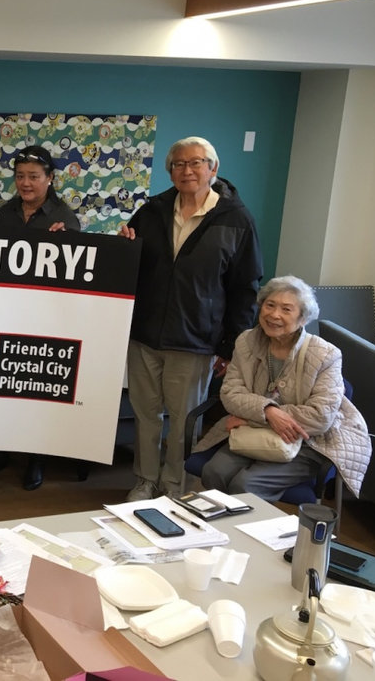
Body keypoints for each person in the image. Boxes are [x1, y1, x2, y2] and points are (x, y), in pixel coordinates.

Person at [118, 136, 263, 501]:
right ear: (170, 171)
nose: (188, 170)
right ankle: (144, 480)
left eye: (196, 163)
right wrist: (123, 245)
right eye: (179, 164)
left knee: (184, 420)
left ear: (213, 168)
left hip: (196, 338)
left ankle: (173, 485)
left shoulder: (237, 219)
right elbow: (129, 266)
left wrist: (232, 345)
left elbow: (245, 287)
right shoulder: (150, 212)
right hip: (145, 333)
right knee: (146, 414)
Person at [195, 276, 370, 500]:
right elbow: (230, 394)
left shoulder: (327, 354)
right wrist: (268, 412)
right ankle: (217, 531)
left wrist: (253, 417)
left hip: (307, 442)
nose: (274, 315)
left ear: (303, 317)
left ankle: (250, 533)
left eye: (286, 309)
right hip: (253, 435)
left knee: (245, 486)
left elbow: (321, 416)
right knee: (214, 472)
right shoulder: (246, 342)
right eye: (270, 305)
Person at [0, 145, 81, 491]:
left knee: (34, 388)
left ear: (50, 179)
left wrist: (64, 246)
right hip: (7, 310)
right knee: (1, 386)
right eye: (20, 176)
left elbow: (75, 271)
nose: (26, 183)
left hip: (43, 317)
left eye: (34, 177)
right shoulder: (6, 212)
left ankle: (35, 459)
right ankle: (0, 451)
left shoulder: (64, 218)